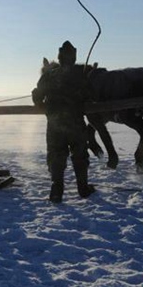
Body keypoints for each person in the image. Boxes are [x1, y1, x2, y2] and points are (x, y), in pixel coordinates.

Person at [32, 41, 96, 203]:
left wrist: (44, 105)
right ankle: (83, 188)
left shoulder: (49, 75)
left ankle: (56, 190)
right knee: (80, 155)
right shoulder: (82, 74)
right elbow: (91, 94)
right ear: (74, 58)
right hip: (75, 123)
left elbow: (38, 97)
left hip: (54, 124)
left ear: (59, 58)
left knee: (55, 156)